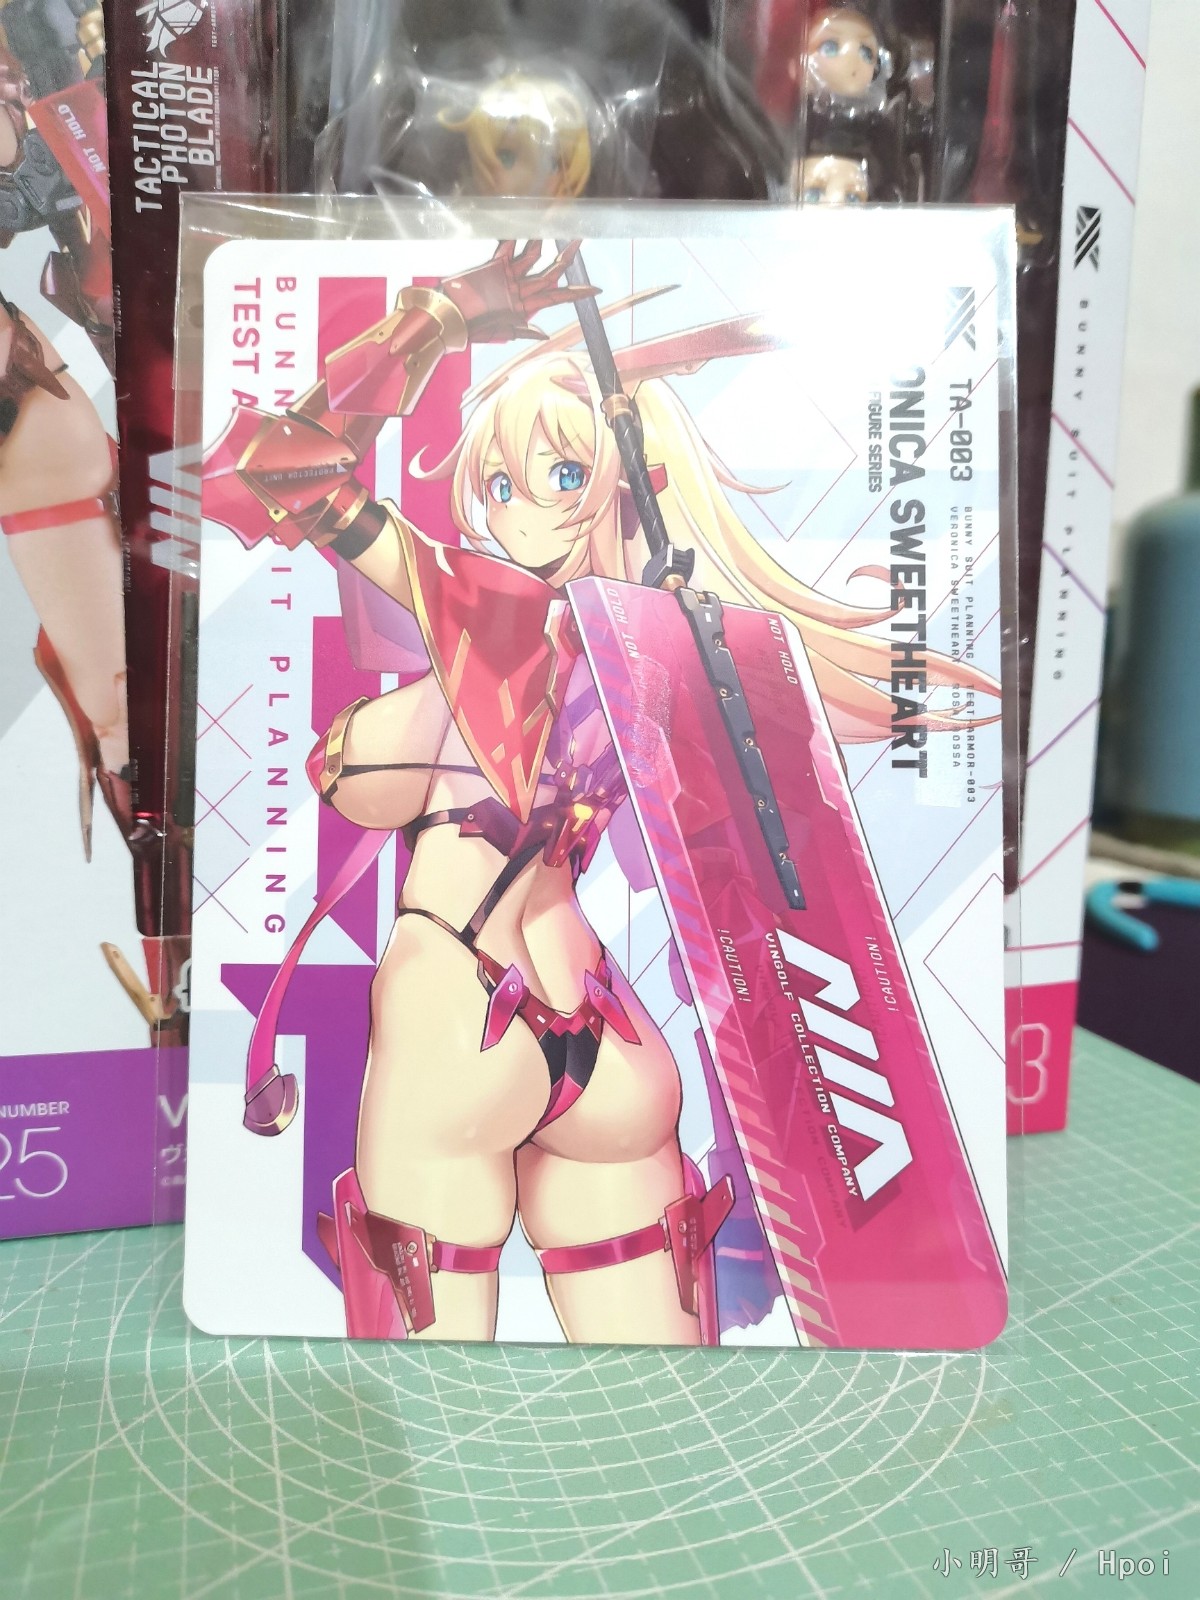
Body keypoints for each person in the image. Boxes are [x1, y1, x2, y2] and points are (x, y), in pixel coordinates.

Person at [203, 240, 998, 1344]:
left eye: (561, 476)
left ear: (630, 480)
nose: (517, 514)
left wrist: (438, 316)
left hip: (456, 1012)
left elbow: (271, 466)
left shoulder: (500, 610)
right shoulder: (676, 653)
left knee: (431, 1424)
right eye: (498, 485)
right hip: (606, 1035)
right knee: (653, 1414)